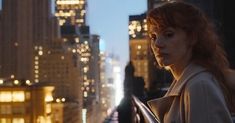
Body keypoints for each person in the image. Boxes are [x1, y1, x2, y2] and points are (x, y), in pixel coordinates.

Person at [146, 1, 235, 123]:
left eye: (168, 34)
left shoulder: (200, 87)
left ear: (192, 37)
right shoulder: (186, 83)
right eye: (153, 37)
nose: (157, 44)